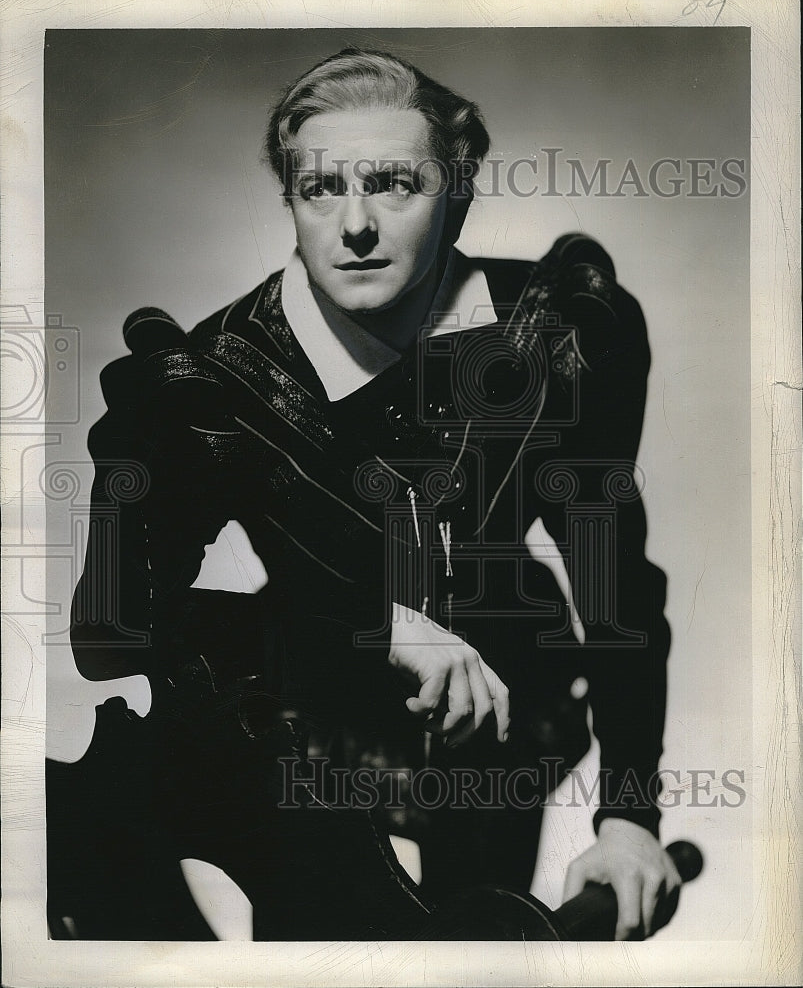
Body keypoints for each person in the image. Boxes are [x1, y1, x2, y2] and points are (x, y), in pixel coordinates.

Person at [63, 47, 680, 941]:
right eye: (320, 190)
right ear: (292, 201)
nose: (354, 225)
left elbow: (614, 584)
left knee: (480, 943)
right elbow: (107, 635)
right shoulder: (211, 376)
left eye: (394, 184)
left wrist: (629, 818)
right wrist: (372, 617)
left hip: (501, 718)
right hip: (305, 729)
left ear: (457, 194)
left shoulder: (556, 335)